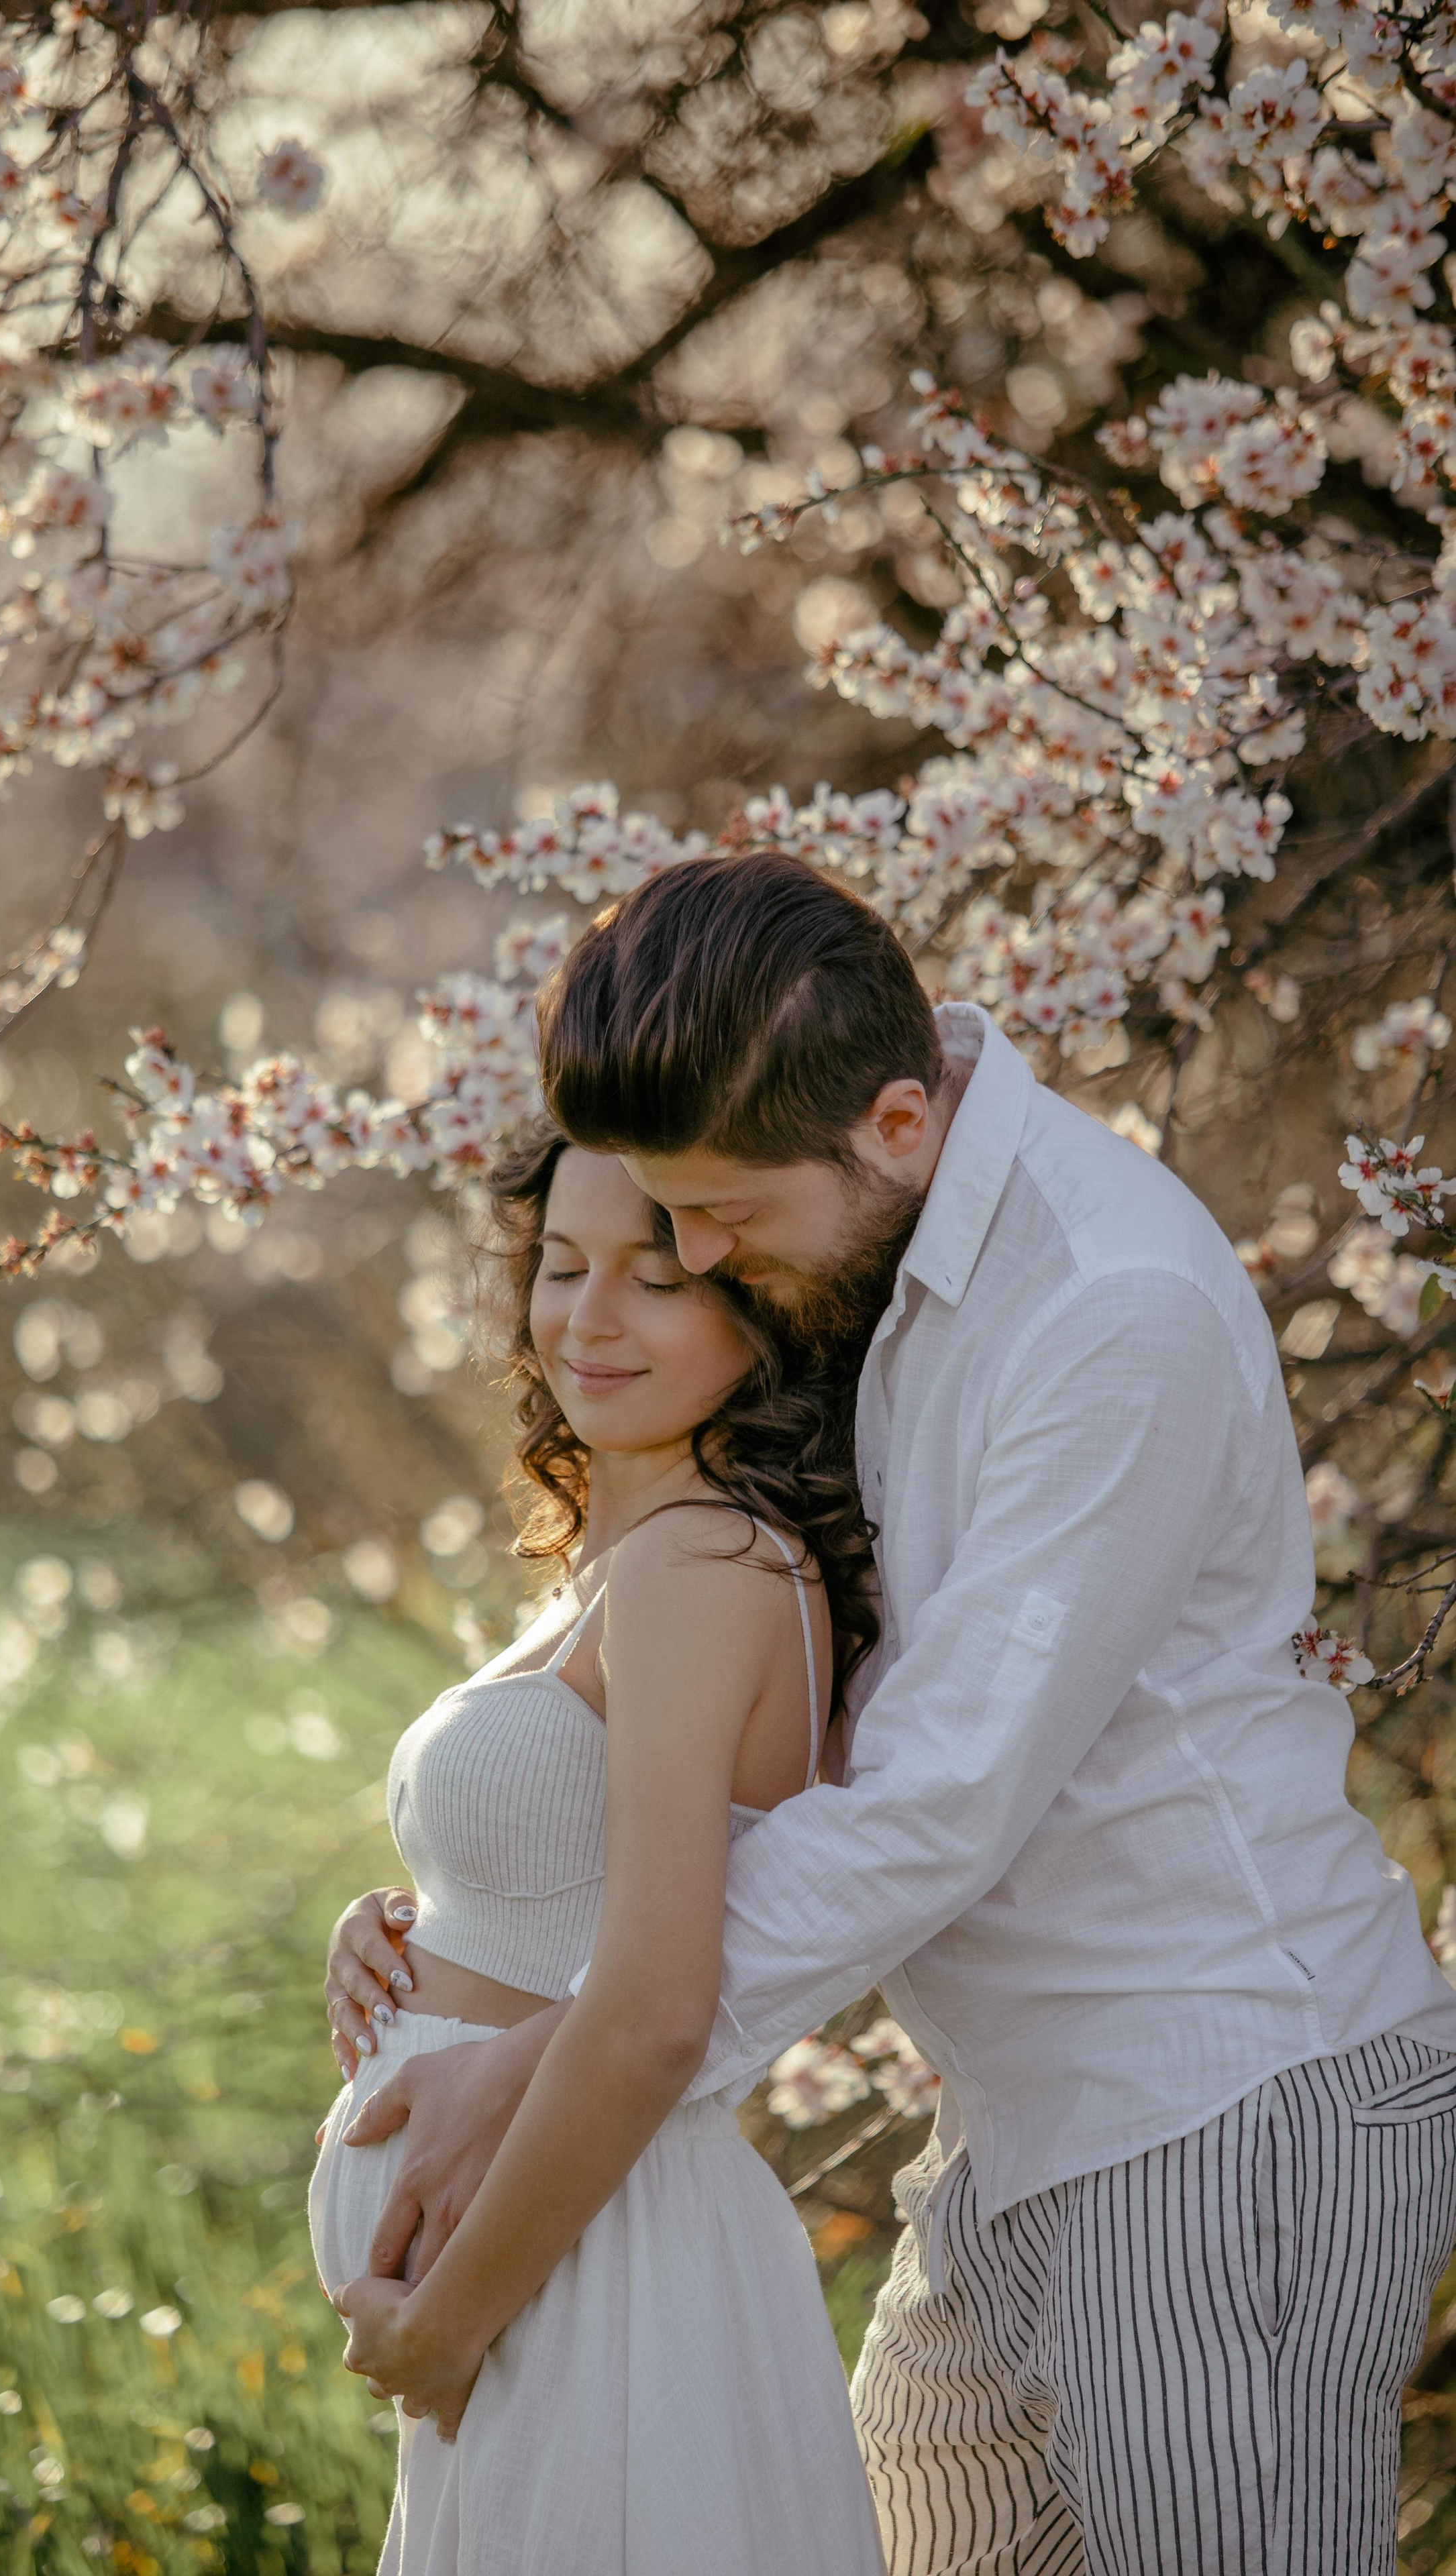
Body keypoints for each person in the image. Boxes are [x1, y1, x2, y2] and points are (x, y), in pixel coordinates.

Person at [329, 849, 1456, 2576]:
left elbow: (937, 1797)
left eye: (718, 1217)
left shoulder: (1105, 1312)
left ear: (897, 1124)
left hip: (1224, 2112)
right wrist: (470, 1940)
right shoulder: (869, 1251)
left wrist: (549, 2065)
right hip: (1013, 2122)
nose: (690, 1255)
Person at [307, 1124, 886, 2574]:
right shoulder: (634, 1563)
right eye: (561, 1266)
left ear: (754, 1304)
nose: (589, 1315)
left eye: (654, 1275)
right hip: (555, 2267)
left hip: (586, 2273)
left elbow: (650, 2016)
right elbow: (583, 1903)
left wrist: (445, 2328)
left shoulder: (700, 1569)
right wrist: (415, 1941)